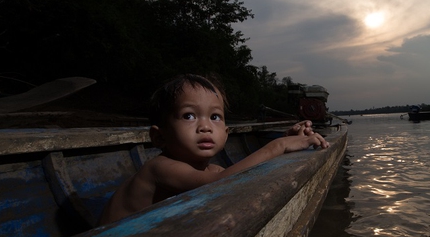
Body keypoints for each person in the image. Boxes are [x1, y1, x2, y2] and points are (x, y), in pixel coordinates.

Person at [100, 74, 329, 224]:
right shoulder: (160, 168)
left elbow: (240, 173)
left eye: (215, 117)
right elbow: (220, 184)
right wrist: (278, 146)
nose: (205, 127)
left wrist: (289, 141)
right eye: (189, 116)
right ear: (159, 136)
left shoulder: (213, 170)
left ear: (226, 133)